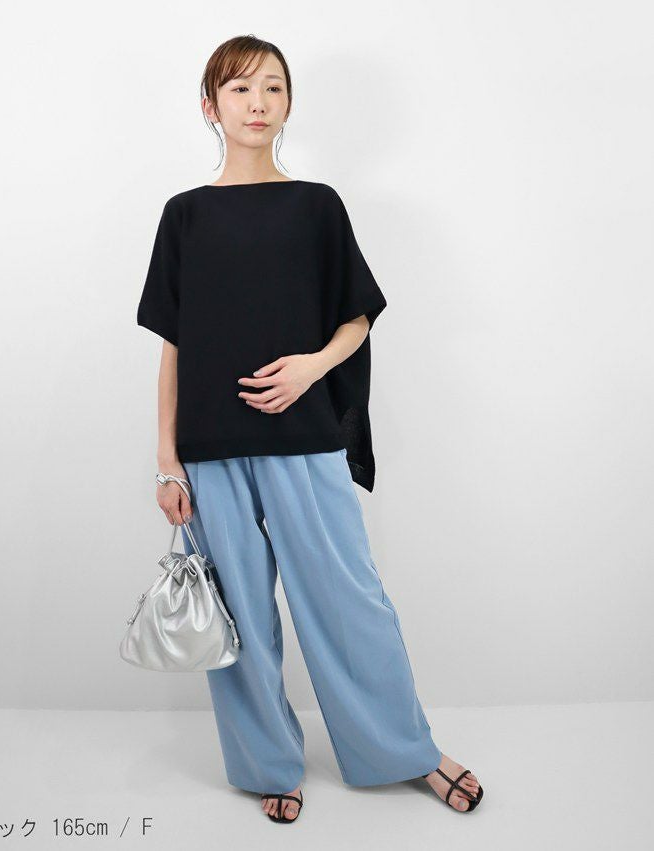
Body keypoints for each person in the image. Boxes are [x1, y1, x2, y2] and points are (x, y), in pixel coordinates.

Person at [136, 34, 483, 824]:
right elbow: (173, 346)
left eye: (272, 87)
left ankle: (406, 748)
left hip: (305, 436)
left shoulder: (316, 205)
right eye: (239, 89)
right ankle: (269, 764)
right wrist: (166, 460)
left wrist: (310, 367)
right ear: (209, 106)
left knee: (349, 601)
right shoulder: (184, 215)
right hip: (210, 448)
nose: (257, 103)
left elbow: (356, 317)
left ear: (288, 103)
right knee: (239, 619)